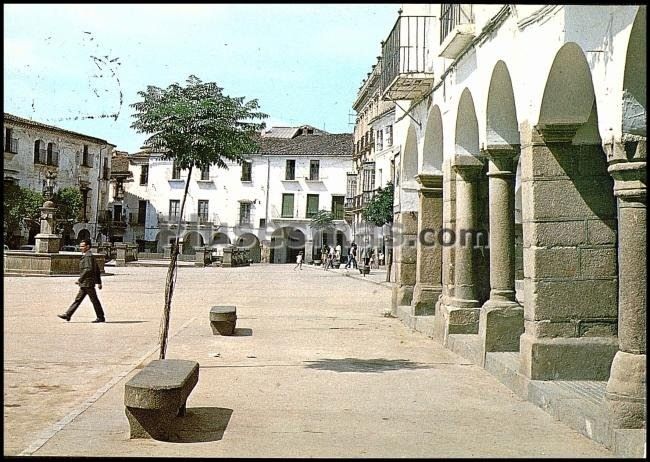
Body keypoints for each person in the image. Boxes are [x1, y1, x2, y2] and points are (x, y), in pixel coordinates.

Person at [58, 238, 105, 323]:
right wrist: (99, 282)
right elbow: (97, 269)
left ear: (88, 246)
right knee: (79, 299)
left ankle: (100, 317)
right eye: (80, 246)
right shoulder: (89, 255)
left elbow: (88, 269)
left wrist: (80, 279)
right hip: (86, 283)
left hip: (87, 283)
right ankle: (68, 314)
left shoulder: (88, 256)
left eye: (82, 246)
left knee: (93, 300)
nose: (81, 248)